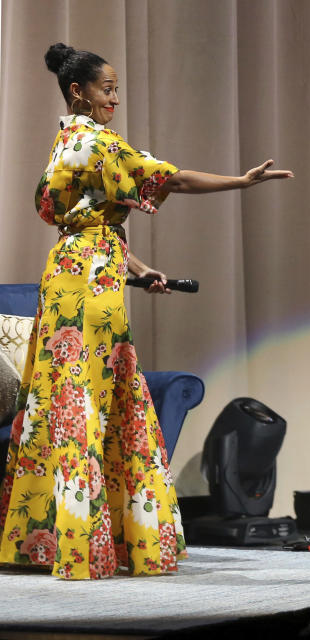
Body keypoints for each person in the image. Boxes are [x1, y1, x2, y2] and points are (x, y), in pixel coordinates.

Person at [0, 43, 293, 580]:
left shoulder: (65, 142)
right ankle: (85, 547)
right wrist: (241, 182)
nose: (114, 97)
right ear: (77, 92)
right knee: (86, 404)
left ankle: (52, 542)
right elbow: (173, 179)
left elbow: (92, 225)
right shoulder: (96, 142)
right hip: (89, 285)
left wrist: (139, 268)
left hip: (71, 271)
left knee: (71, 401)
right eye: (106, 89)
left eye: (116, 89)